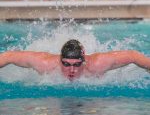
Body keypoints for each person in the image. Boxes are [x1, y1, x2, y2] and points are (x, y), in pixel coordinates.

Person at [0, 39, 150, 81]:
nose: (72, 70)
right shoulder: (45, 64)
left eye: (77, 65)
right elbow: (10, 56)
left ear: (83, 61)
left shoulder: (98, 64)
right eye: (66, 64)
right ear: (60, 60)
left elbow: (132, 55)